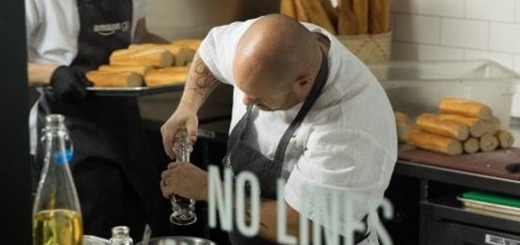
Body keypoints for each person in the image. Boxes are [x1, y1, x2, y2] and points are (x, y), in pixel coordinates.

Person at [159, 14, 397, 244]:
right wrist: (187, 106)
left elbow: (300, 227)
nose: (245, 102)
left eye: (258, 99)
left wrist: (207, 188)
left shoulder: (349, 127)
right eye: (243, 90)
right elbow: (211, 51)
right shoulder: (263, 45)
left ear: (303, 82)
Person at [23, 0, 167, 239]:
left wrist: (200, 57)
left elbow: (139, 38)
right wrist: (53, 73)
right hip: (68, 132)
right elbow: (1, 64)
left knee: (136, 228)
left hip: (126, 127)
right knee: (85, 233)